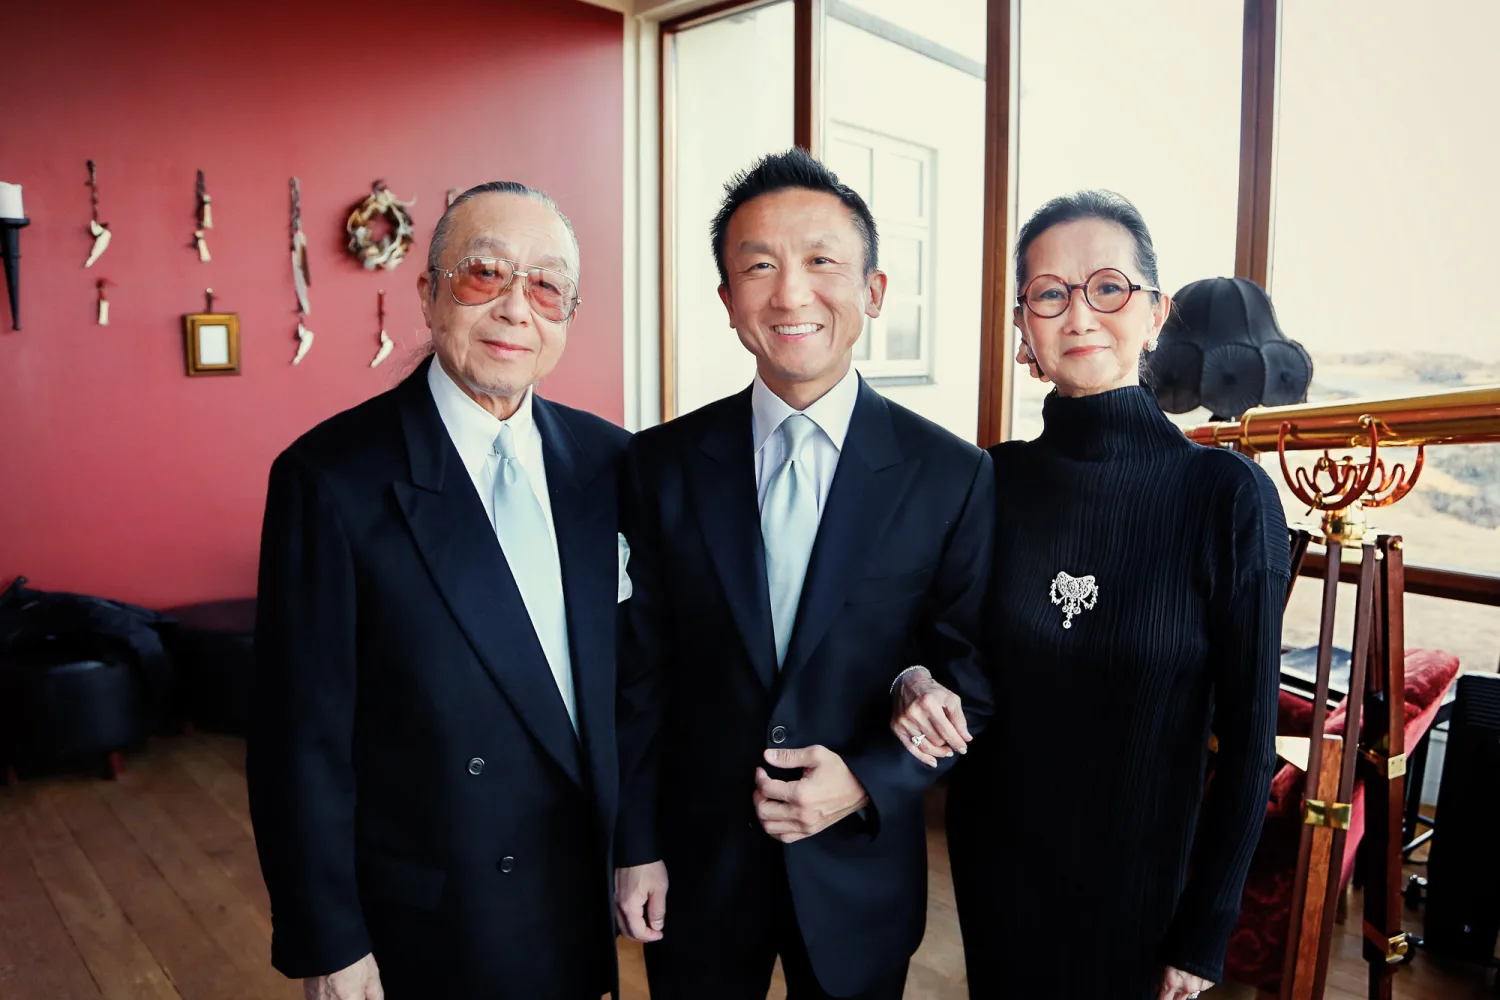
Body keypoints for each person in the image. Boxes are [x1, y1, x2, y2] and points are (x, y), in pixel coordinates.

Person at [613, 148, 995, 999]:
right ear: (727, 301)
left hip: (860, 866)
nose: (790, 293)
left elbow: (970, 673)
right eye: (759, 267)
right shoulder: (659, 466)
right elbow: (639, 675)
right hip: (697, 867)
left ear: (875, 290)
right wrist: (634, 843)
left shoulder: (951, 474)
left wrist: (867, 777)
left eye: (822, 261)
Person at [891, 189, 1288, 1000]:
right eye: (1049, 293)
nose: (1079, 315)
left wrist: (1206, 928)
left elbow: (1251, 738)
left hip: (1142, 886)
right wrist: (915, 680)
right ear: (1023, 329)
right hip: (996, 863)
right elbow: (937, 647)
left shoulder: (1225, 494)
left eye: (1107, 287)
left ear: (1154, 313)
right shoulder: (991, 478)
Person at [248, 181, 629, 1000]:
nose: (516, 309)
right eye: (483, 274)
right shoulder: (331, 479)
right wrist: (329, 942)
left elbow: (633, 686)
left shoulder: (611, 464)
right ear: (427, 293)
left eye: (546, 286)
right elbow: (297, 742)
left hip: (576, 893)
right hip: (429, 913)